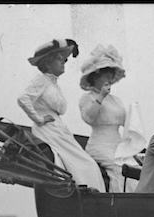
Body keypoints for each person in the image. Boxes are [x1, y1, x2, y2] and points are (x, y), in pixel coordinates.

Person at [17, 38, 105, 191]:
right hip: (48, 131)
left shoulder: (52, 83)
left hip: (58, 131)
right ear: (47, 63)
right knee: (85, 165)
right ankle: (87, 194)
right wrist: (38, 119)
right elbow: (23, 99)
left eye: (64, 59)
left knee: (87, 164)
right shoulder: (41, 80)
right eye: (59, 59)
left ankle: (89, 194)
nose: (64, 62)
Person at [78, 45, 146, 192]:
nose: (110, 77)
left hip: (117, 144)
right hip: (100, 145)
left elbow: (125, 122)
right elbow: (89, 117)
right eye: (106, 73)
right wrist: (101, 96)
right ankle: (119, 205)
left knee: (135, 168)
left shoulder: (116, 100)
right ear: (96, 75)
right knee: (119, 168)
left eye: (111, 73)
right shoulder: (88, 98)